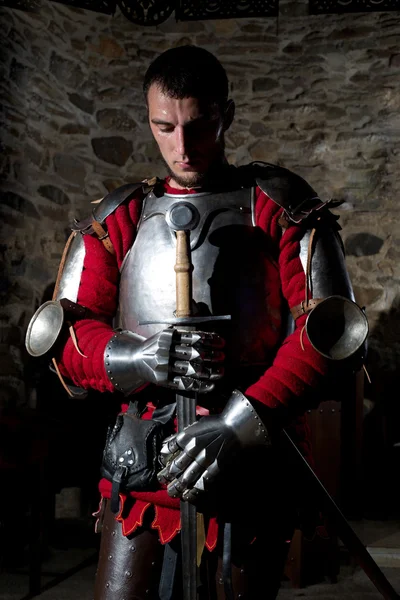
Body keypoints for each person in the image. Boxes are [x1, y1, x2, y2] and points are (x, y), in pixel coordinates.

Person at [25, 45, 367, 599]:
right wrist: (133, 356)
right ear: (150, 121)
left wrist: (239, 423)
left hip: (251, 444)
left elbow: (328, 335)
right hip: (141, 459)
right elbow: (65, 332)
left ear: (225, 116)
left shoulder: (278, 205)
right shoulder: (121, 216)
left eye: (199, 124)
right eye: (165, 127)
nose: (181, 147)